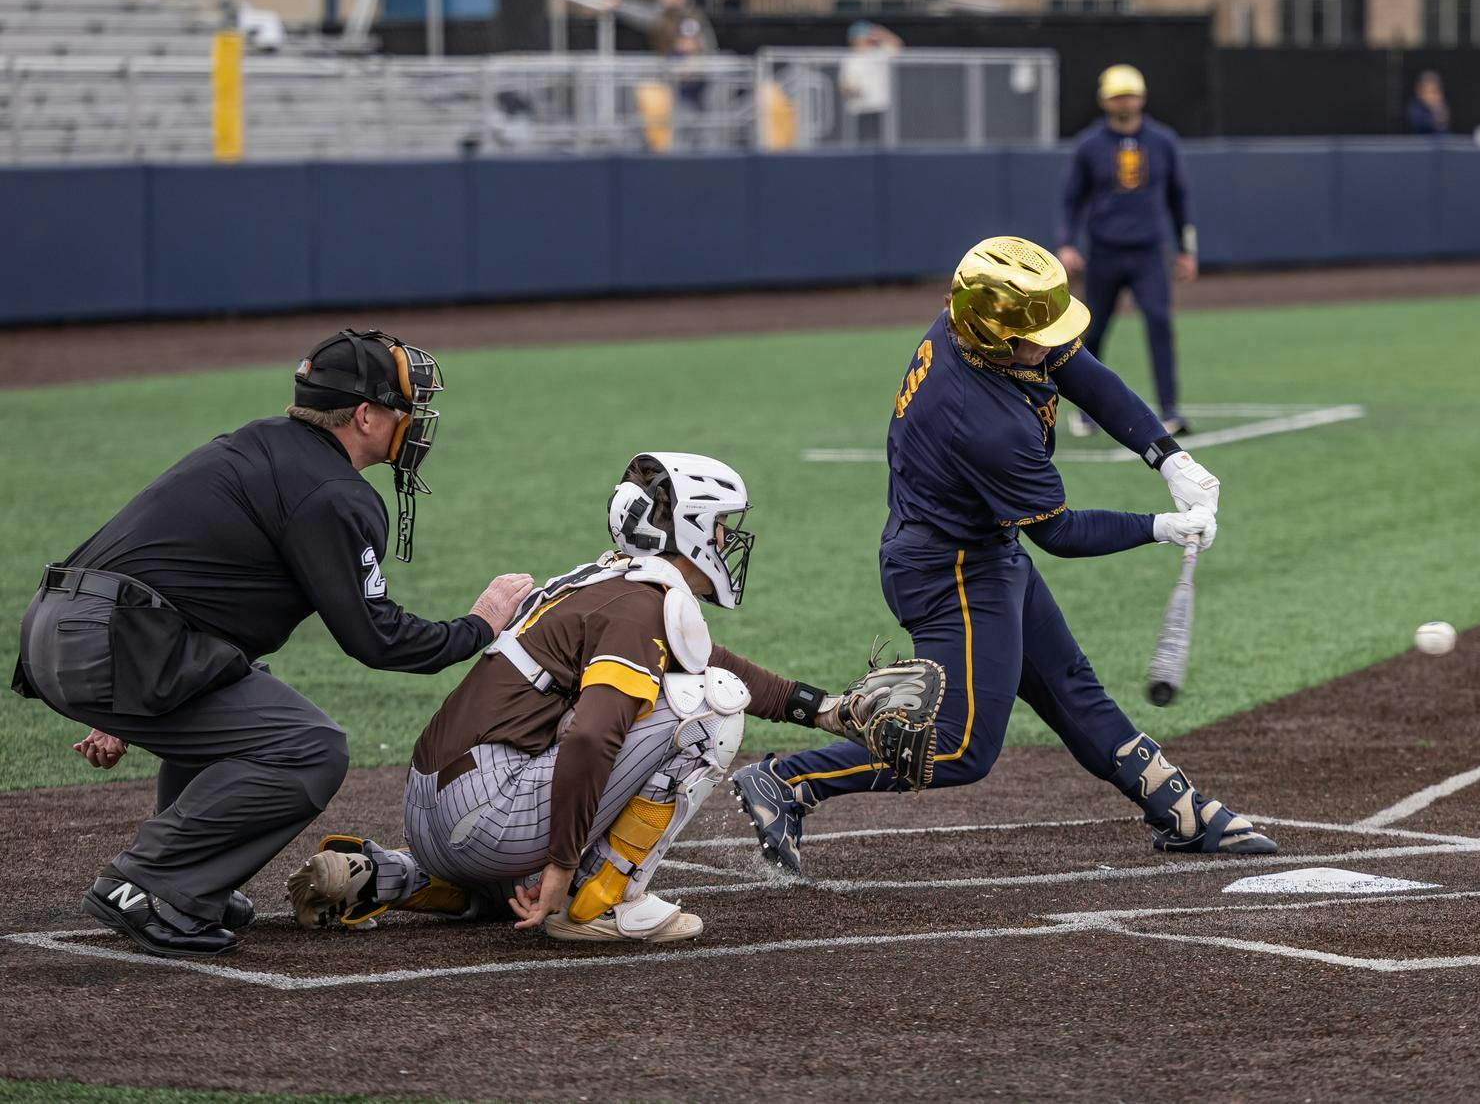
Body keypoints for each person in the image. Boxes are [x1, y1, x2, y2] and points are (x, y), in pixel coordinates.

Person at [730, 237, 1276, 878]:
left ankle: (1178, 809)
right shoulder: (984, 422)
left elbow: (1084, 374)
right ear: (994, 337)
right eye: (1037, 334)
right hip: (946, 572)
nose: (1052, 343)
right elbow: (1059, 532)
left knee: (1070, 686)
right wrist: (1161, 527)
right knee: (959, 746)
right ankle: (788, 781)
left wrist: (1168, 456)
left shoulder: (975, 324)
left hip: (979, 549)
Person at [13, 330, 534, 958]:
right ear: (365, 415)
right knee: (311, 749)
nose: (414, 421)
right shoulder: (331, 491)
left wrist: (115, 693)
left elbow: (175, 575)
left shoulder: (260, 441)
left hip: (67, 628)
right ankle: (151, 882)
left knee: (240, 690)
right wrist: (481, 622)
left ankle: (191, 886)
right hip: (119, 640)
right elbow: (376, 638)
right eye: (404, 407)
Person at [286, 452, 936, 944]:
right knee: (711, 705)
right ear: (685, 529)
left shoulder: (609, 579)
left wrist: (819, 707)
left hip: (433, 805)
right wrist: (565, 869)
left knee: (673, 693)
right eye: (718, 526)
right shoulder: (640, 604)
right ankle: (603, 901)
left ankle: (389, 875)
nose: (726, 541)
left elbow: (697, 653)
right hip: (483, 811)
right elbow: (594, 735)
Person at [1056, 65, 1197, 439]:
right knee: (1093, 332)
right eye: (1118, 95)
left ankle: (1170, 410)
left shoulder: (1162, 141)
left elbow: (1179, 198)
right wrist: (1067, 243)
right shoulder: (1089, 145)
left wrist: (1186, 249)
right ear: (1104, 100)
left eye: (1130, 94)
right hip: (1104, 251)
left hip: (1150, 252)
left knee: (1159, 324)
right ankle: (1086, 413)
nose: (1125, 102)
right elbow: (1073, 199)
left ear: (1143, 98)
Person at [607, 0, 717, 57]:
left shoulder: (694, 15)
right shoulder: (659, 17)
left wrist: (694, 54)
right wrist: (620, 4)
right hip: (669, 73)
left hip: (698, 75)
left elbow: (707, 47)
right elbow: (641, 13)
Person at [838, 20, 904, 144]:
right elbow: (844, 86)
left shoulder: (879, 53)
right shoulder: (849, 59)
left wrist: (879, 33)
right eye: (861, 37)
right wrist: (850, 89)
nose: (864, 40)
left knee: (880, 145)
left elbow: (897, 45)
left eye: (866, 37)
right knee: (860, 146)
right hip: (858, 109)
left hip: (878, 107)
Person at [1405, 70, 1451, 135]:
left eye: (1435, 92)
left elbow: (1443, 126)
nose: (1432, 96)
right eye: (1429, 92)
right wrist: (1434, 117)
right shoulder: (1415, 107)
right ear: (1419, 92)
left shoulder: (1442, 105)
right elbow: (1418, 122)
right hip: (1419, 142)